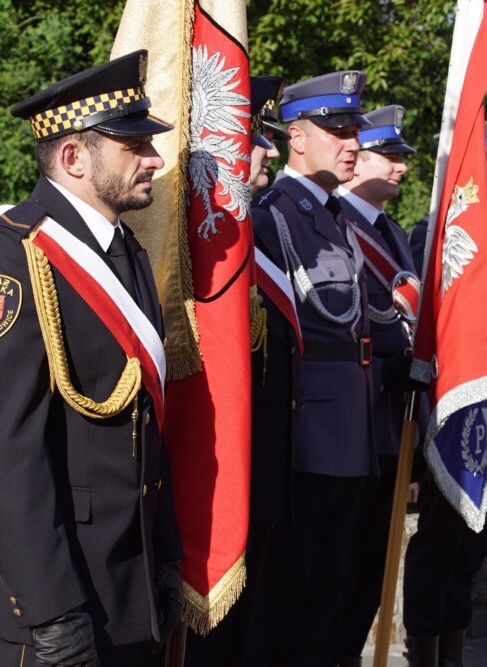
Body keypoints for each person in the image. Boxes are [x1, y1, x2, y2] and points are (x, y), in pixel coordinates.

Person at [0, 50, 182, 667]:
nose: (155, 159)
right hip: (53, 602)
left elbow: (147, 424)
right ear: (73, 157)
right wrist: (50, 610)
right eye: (134, 146)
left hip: (130, 586)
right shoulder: (8, 259)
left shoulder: (124, 251)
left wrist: (167, 557)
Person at [245, 70, 376, 666]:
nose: (353, 142)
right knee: (289, 605)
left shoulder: (337, 217)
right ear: (296, 136)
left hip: (350, 429)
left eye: (354, 129)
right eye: (338, 129)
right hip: (305, 435)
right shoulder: (273, 214)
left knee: (332, 595)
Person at [403, 117, 487, 666]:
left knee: (472, 544)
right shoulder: (436, 231)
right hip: (455, 409)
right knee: (440, 540)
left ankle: (454, 651)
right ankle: (426, 651)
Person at [184, 75, 293, 667]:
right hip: (210, 477)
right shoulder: (190, 242)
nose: (269, 151)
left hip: (257, 471)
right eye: (255, 137)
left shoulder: (251, 233)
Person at [336, 104, 421, 665]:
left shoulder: (393, 231)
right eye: (388, 156)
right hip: (349, 421)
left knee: (370, 571)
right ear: (355, 156)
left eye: (402, 158)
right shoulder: (332, 223)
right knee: (334, 571)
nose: (400, 168)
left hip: (394, 419)